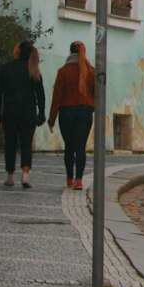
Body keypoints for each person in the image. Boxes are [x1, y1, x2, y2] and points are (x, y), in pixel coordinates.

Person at [0, 39, 45, 189]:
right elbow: (40, 94)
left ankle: (10, 175)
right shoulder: (33, 70)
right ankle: (25, 174)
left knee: (10, 143)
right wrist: (41, 114)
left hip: (10, 111)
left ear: (18, 51)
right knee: (26, 144)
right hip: (28, 113)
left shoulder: (5, 68)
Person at [48, 40, 96, 189]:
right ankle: (79, 180)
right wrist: (92, 107)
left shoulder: (63, 72)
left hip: (67, 112)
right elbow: (97, 94)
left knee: (69, 146)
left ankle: (69, 178)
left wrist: (51, 119)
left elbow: (57, 96)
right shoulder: (91, 71)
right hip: (85, 111)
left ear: (70, 53)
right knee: (81, 146)